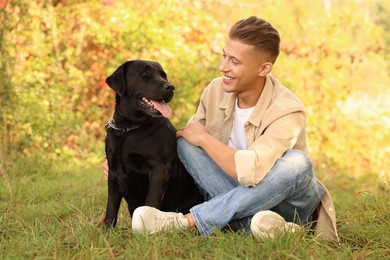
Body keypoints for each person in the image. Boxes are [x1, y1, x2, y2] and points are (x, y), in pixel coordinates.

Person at [111, 16, 338, 240]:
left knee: (297, 163)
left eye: (235, 62)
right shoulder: (216, 90)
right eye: (224, 56)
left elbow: (251, 172)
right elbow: (184, 138)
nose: (223, 67)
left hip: (286, 204)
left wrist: (205, 140)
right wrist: (122, 160)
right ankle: (267, 228)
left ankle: (186, 222)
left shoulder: (288, 110)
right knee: (186, 145)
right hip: (231, 193)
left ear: (264, 68)